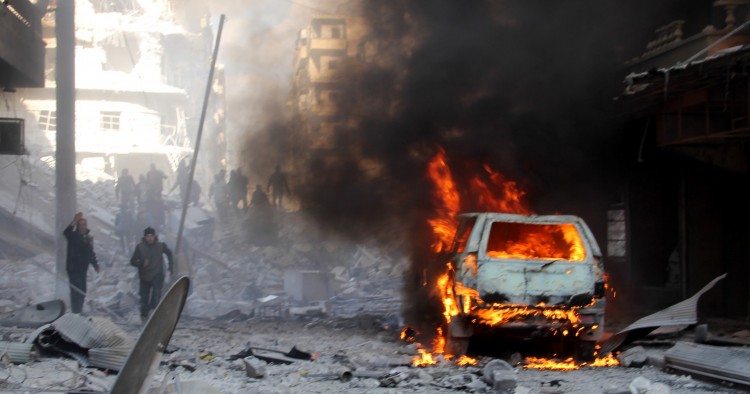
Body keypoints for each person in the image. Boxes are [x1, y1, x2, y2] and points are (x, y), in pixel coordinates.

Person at [130, 227, 174, 323]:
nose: (150, 238)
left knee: (156, 295)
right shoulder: (140, 247)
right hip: (144, 276)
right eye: (148, 236)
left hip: (157, 274)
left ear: (155, 236)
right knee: (144, 298)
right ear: (145, 237)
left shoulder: (160, 246)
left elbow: (169, 254)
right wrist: (141, 263)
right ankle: (144, 316)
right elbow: (132, 261)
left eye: (151, 236)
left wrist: (170, 267)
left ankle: (153, 313)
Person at [63, 212, 100, 314]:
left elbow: (91, 253)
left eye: (84, 224)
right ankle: (76, 312)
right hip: (73, 268)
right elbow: (66, 232)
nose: (83, 227)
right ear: (78, 226)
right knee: (76, 292)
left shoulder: (88, 238)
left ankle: (78, 311)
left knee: (83, 291)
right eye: (81, 225)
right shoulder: (73, 236)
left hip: (83, 269)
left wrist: (95, 264)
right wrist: (74, 221)